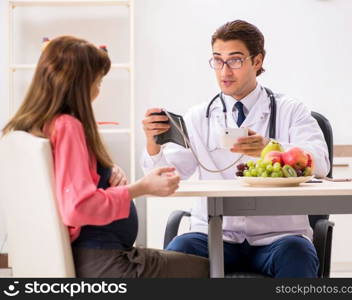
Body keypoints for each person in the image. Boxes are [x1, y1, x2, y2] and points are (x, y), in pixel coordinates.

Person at [2, 36, 209, 278]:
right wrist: (140, 188)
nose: (98, 90)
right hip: (103, 260)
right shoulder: (67, 126)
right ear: (79, 83)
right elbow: (78, 208)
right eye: (97, 81)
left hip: (94, 255)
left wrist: (106, 170)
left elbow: (68, 182)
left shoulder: (33, 126)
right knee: (208, 269)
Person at [141, 20, 330, 278]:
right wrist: (154, 144)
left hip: (279, 238)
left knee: (298, 256)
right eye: (218, 60)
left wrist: (269, 147)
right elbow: (166, 176)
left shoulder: (291, 110)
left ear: (257, 61)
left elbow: (320, 163)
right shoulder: (199, 116)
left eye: (235, 60)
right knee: (176, 254)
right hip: (214, 235)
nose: (224, 71)